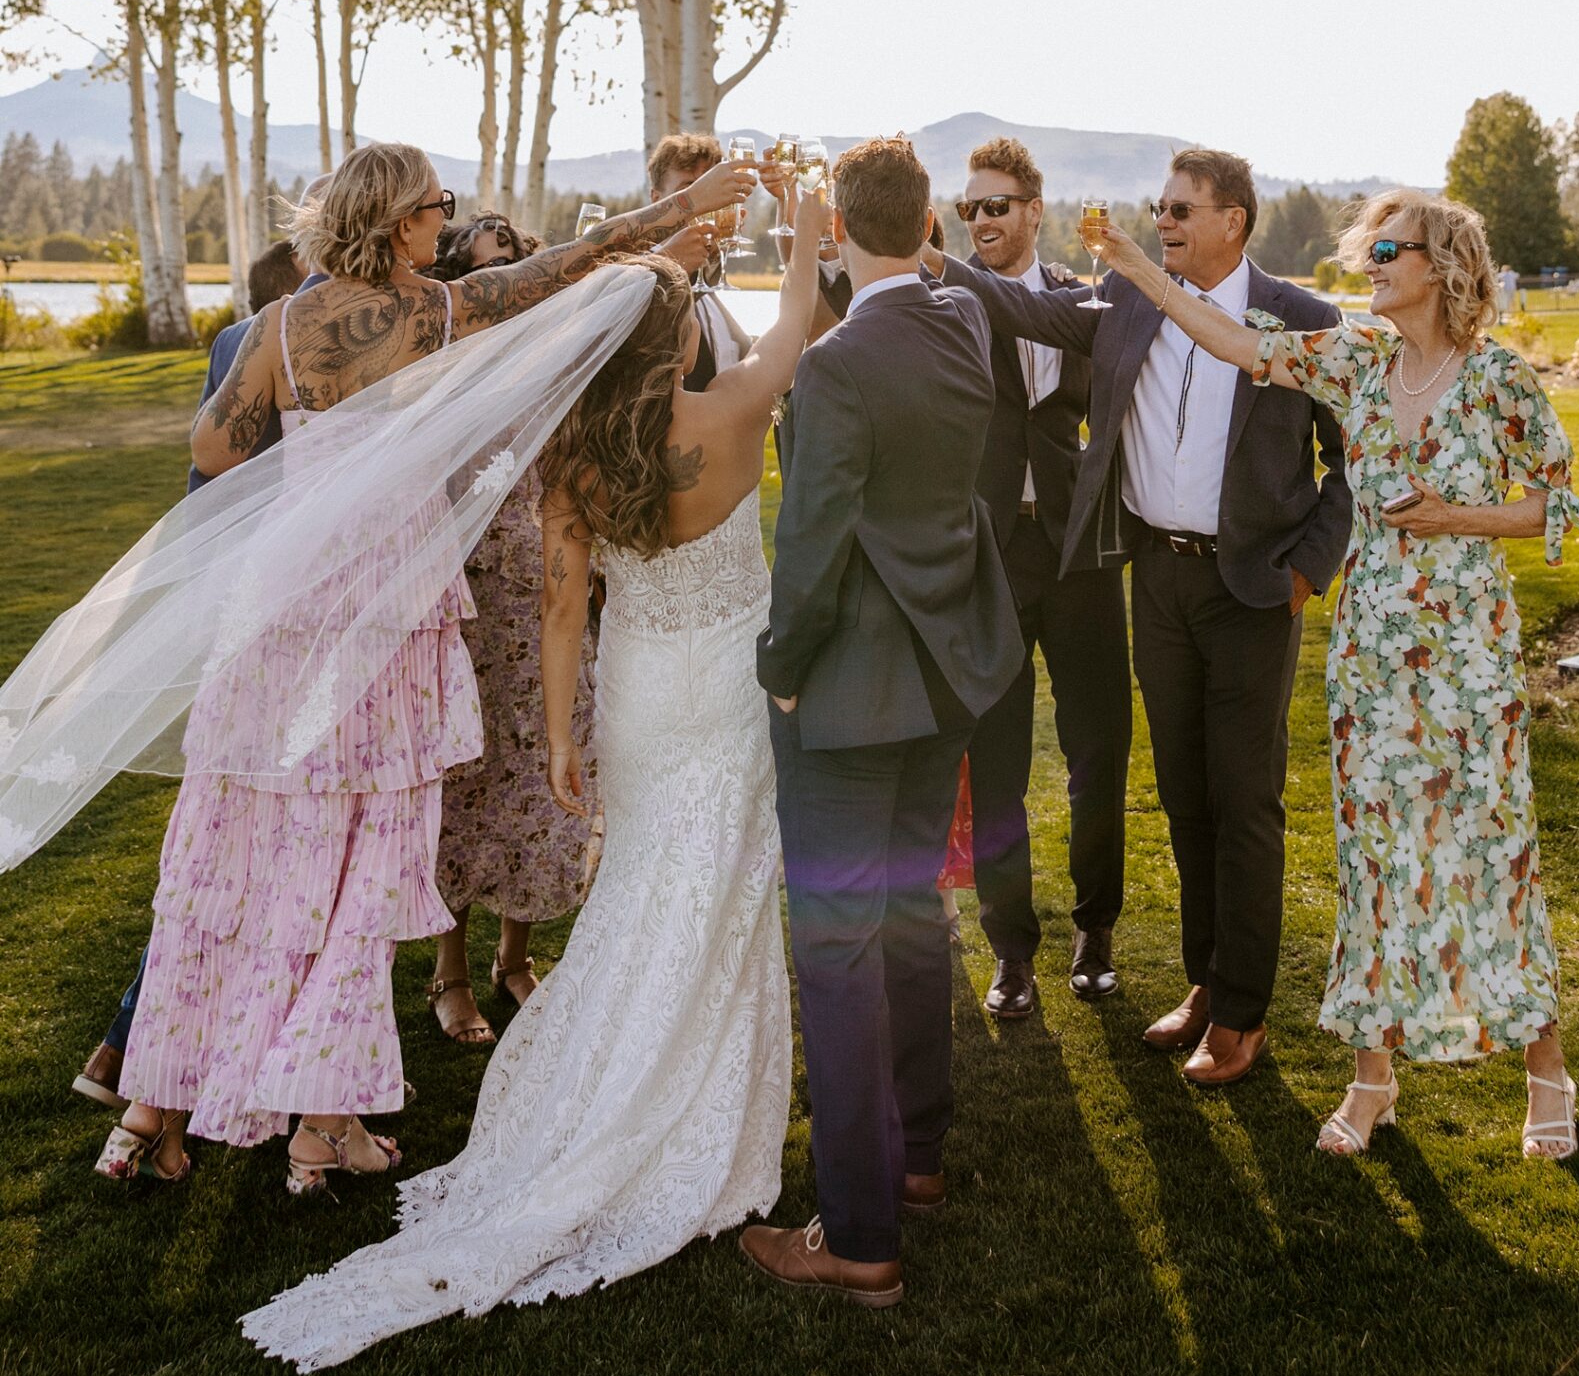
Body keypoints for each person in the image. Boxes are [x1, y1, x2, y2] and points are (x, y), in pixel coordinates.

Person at [90, 139, 755, 1192]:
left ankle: (145, 1115)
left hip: (278, 607)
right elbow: (571, 264)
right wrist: (678, 211)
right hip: (388, 612)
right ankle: (321, 1122)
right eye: (434, 208)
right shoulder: (442, 314)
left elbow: (217, 450)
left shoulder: (277, 324)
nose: (442, 223)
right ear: (400, 222)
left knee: (234, 852)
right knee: (364, 855)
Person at [242, 202, 829, 1370]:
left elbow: (565, 610)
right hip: (725, 690)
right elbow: (798, 324)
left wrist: (563, 735)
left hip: (634, 693)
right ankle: (694, 1110)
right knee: (717, 893)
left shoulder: (573, 458)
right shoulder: (733, 413)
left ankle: (607, 1090)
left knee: (645, 887)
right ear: (680, 343)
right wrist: (806, 231)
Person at [1095, 190, 1579, 1160]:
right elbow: (1232, 341)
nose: (1367, 266)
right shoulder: (1356, 360)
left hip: (1469, 660)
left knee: (1492, 855)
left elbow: (1556, 506)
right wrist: (1137, 266)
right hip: (1371, 656)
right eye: (1365, 251)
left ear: (1442, 266)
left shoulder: (1497, 378)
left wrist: (1455, 516)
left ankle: (1547, 1069)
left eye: (1386, 252)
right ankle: (1373, 1080)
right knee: (1372, 862)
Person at [928, 150, 1351, 1087]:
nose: (1161, 220)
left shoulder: (1303, 319)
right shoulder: (1125, 301)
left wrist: (1306, 571)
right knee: (1187, 797)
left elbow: (1351, 460)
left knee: (1245, 803)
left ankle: (1242, 1016)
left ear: (1233, 220)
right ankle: (1205, 986)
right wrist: (905, 240)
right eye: (1158, 207)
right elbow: (1019, 306)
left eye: (1180, 209)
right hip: (1155, 581)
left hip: (1252, 591)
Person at [741, 137, 1026, 1310]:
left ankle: (856, 1233)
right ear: (927, 225)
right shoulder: (961, 323)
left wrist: (781, 665)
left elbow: (809, 545)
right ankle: (917, 1158)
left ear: (847, 231)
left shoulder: (838, 364)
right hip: (947, 676)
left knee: (840, 950)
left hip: (853, 692)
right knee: (914, 913)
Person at [72, 229, 311, 1114]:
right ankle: (168, 1058)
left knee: (221, 835)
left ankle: (127, 1052)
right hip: (299, 614)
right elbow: (222, 477)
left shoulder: (245, 334)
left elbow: (201, 492)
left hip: (246, 604)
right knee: (248, 839)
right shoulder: (309, 333)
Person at [950, 135, 1131, 1020]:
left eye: (995, 205)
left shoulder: (1081, 300)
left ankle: (1097, 931)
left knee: (1099, 750)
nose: (979, 220)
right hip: (988, 553)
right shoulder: (944, 297)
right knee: (997, 761)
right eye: (966, 208)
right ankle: (1010, 949)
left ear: (1033, 210)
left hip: (1080, 549)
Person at [424, 212, 602, 1046]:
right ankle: (448, 972)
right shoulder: (438, 376)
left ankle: (514, 957)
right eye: (482, 269)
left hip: (553, 602)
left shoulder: (557, 368)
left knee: (543, 782)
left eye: (511, 266)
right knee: (465, 788)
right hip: (467, 610)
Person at [647, 133, 753, 389]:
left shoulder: (711, 290)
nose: (705, 203)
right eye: (688, 192)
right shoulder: (639, 286)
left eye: (709, 190)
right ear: (656, 200)